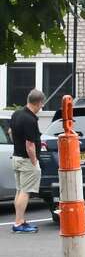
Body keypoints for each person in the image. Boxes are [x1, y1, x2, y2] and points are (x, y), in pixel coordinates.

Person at [10, 89, 45, 234]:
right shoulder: (30, 119)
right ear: (39, 103)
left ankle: (19, 220)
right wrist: (34, 161)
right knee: (25, 192)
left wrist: (17, 146)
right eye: (42, 105)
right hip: (26, 160)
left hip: (16, 157)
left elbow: (10, 132)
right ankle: (19, 223)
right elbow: (30, 145)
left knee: (19, 190)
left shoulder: (17, 113)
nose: (42, 108)